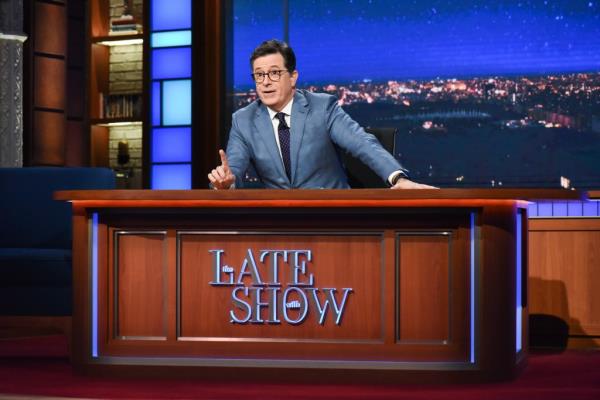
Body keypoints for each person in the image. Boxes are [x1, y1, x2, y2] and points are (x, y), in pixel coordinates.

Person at [208, 39, 434, 190]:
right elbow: (233, 169)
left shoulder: (322, 107)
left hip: (331, 217)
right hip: (278, 225)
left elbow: (363, 144)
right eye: (259, 75)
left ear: (293, 77)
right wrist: (226, 181)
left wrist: (398, 178)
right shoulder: (243, 120)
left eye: (274, 73)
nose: (266, 82)